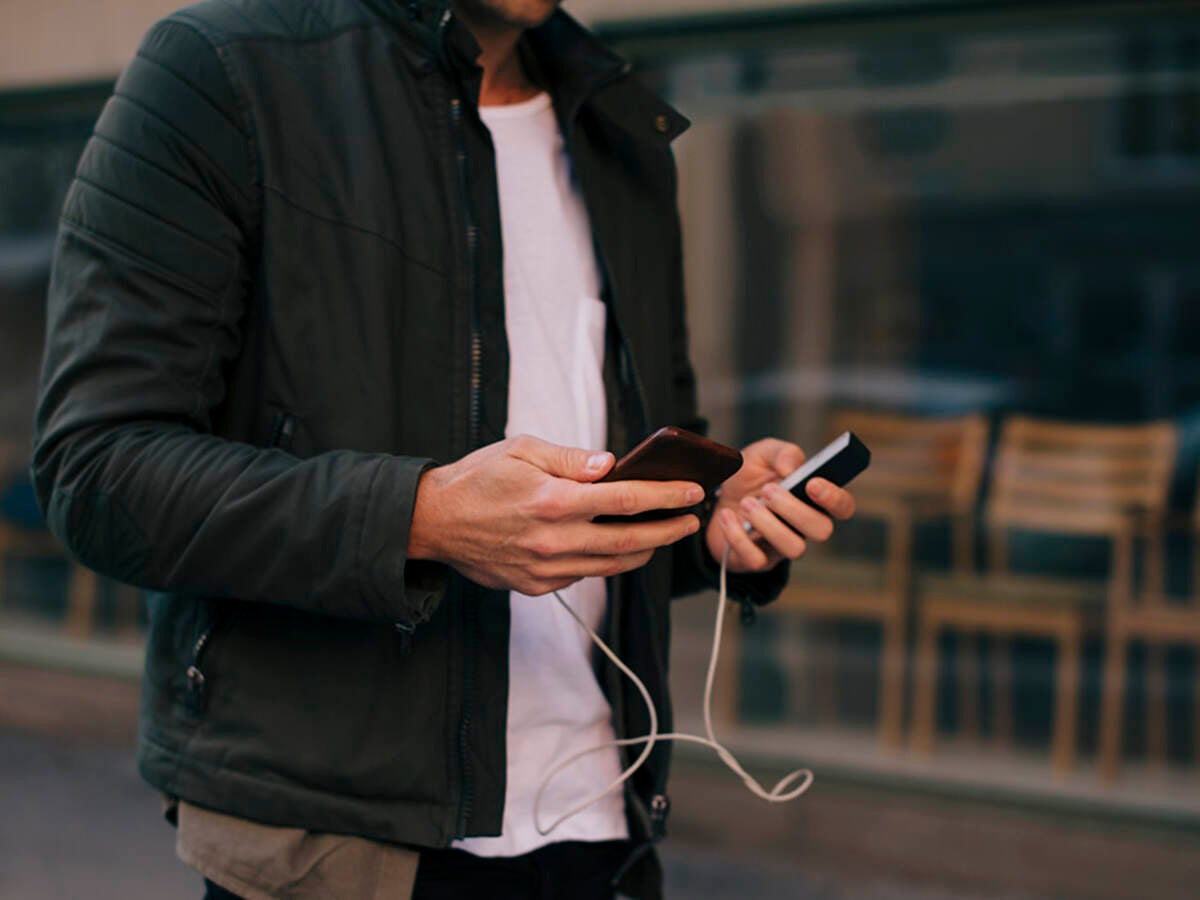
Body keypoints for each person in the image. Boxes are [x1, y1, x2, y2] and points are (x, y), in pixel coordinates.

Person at [32, 1, 856, 898]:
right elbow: (99, 470)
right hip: (341, 843)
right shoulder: (222, 71)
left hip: (602, 823)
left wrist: (715, 515)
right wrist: (423, 519)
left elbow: (637, 454)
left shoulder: (616, 120)